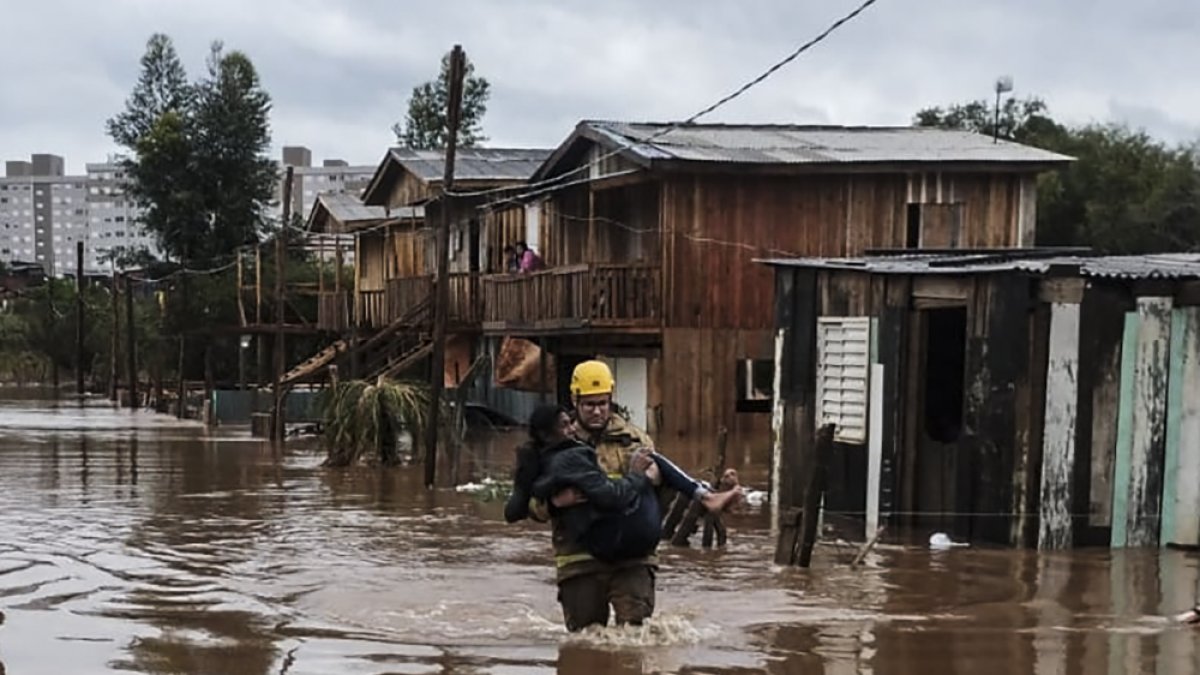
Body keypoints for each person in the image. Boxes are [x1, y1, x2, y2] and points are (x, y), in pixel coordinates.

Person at [545, 360, 741, 631]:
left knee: (635, 638)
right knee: (584, 639)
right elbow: (530, 503)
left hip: (632, 554)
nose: (597, 411)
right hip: (580, 557)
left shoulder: (635, 440)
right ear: (574, 400)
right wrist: (553, 502)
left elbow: (657, 502)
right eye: (589, 405)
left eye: (602, 403)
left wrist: (658, 484)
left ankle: (709, 496)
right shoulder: (556, 445)